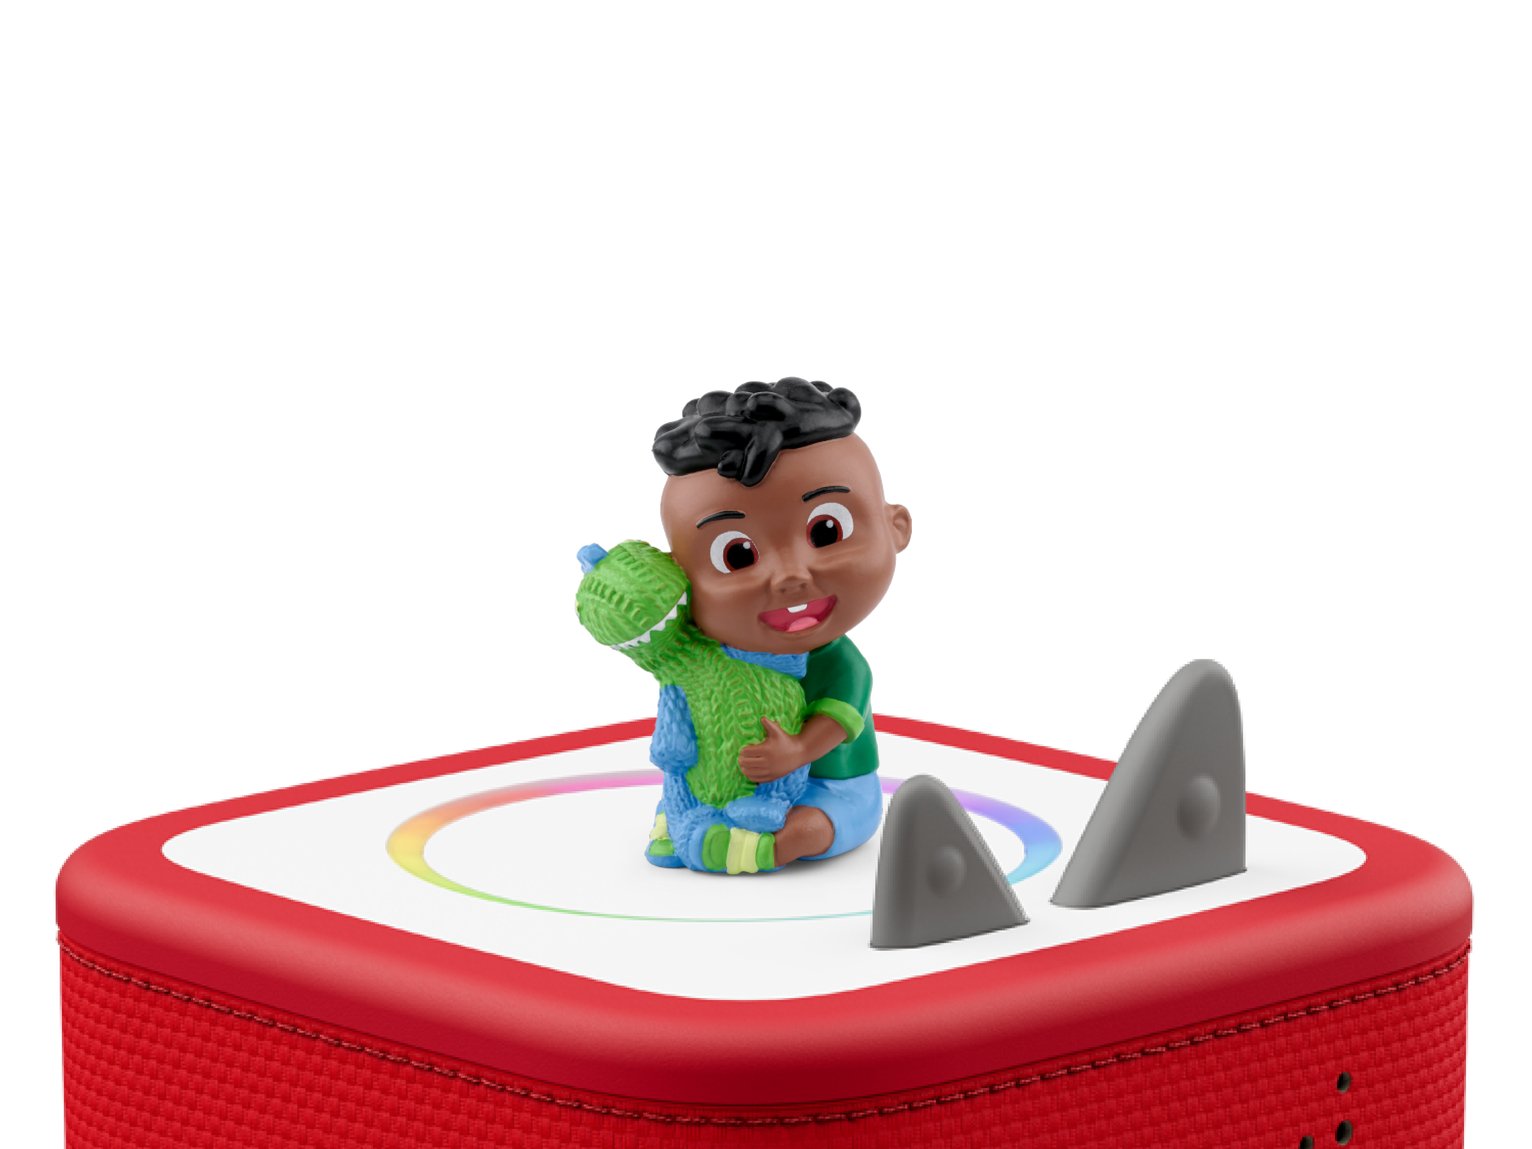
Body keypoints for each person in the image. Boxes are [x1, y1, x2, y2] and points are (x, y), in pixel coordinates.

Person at [647, 378, 912, 870]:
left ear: (895, 526)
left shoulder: (838, 662)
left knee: (813, 827)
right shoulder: (706, 657)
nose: (790, 575)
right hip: (727, 782)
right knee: (683, 793)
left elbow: (836, 720)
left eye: (826, 532)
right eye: (738, 555)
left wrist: (796, 752)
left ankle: (750, 847)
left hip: (833, 783)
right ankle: (689, 818)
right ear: (679, 577)